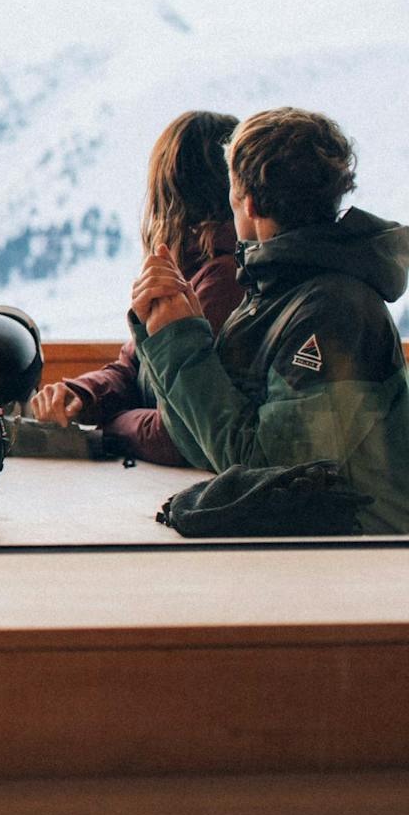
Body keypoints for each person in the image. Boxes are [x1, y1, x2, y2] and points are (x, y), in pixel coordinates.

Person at [130, 107, 409, 533]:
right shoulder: (272, 297)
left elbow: (275, 472)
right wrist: (164, 333)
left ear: (249, 203)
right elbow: (202, 446)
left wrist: (182, 343)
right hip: (312, 548)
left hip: (364, 558)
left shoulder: (334, 311)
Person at [29, 111, 243, 463]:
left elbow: (178, 435)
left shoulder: (223, 282)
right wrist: (84, 394)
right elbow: (134, 367)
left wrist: (109, 425)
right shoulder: (189, 269)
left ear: (169, 191)